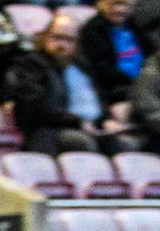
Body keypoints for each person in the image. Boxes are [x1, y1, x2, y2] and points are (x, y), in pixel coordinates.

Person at [8, 14, 106, 153]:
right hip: (49, 131)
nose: (62, 45)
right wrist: (77, 122)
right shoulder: (31, 64)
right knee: (82, 143)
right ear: (45, 37)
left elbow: (100, 99)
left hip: (90, 127)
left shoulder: (82, 67)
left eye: (69, 40)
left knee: (122, 144)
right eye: (57, 37)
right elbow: (37, 107)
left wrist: (107, 119)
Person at [78, 0, 148, 105]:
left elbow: (150, 51)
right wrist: (136, 81)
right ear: (102, 5)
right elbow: (101, 68)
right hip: (116, 88)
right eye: (113, 4)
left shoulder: (133, 25)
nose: (119, 10)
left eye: (123, 5)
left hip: (144, 82)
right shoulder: (93, 29)